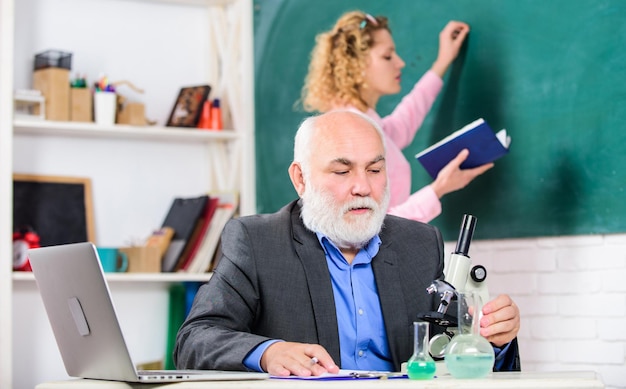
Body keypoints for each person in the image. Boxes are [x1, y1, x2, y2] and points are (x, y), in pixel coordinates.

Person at [174, 110, 520, 376]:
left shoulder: (420, 243)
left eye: (374, 170)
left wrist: (492, 338)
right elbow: (195, 340)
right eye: (342, 172)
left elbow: (448, 351)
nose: (363, 187)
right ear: (300, 178)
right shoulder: (257, 242)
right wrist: (268, 352)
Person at [301, 11, 493, 223]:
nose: (400, 63)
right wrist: (438, 189)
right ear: (356, 64)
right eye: (387, 56)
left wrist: (442, 63)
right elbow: (369, 225)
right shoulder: (349, 133)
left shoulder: (363, 122)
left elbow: (403, 124)